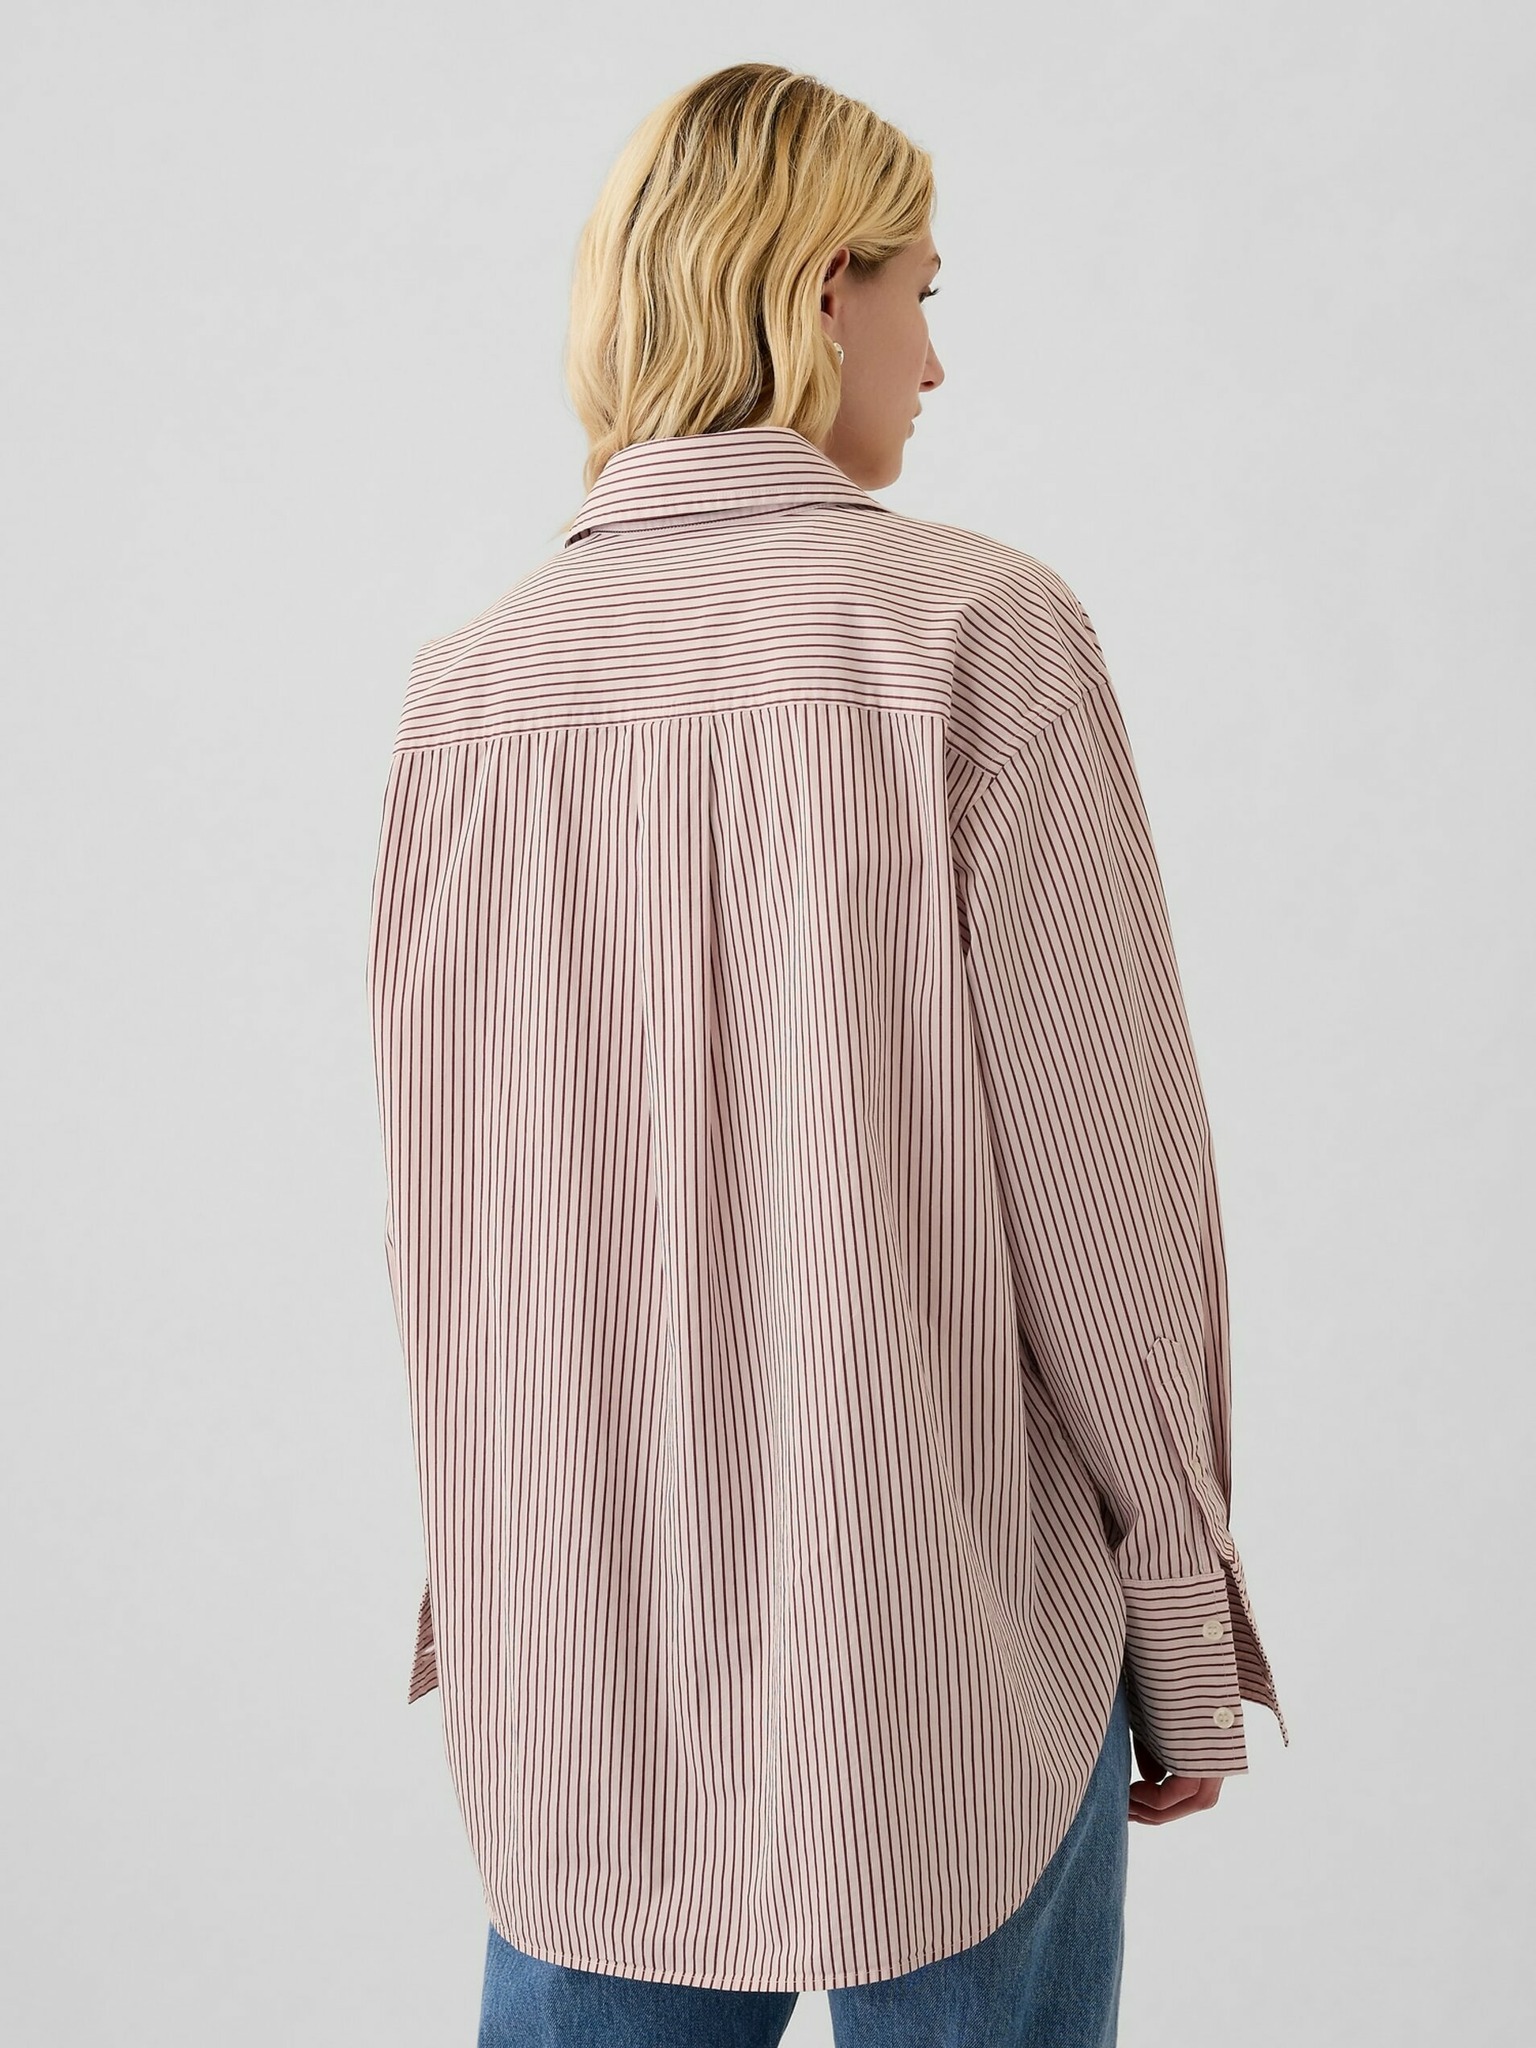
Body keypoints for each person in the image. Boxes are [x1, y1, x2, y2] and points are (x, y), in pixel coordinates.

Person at [366, 59, 1290, 2048]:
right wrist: (1178, 1607)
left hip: (587, 1652)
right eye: (923, 294)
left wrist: (490, 1588)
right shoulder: (974, 634)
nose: (935, 361)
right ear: (818, 292)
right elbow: (1104, 1193)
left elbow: (443, 1226)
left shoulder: (469, 694)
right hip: (938, 1629)